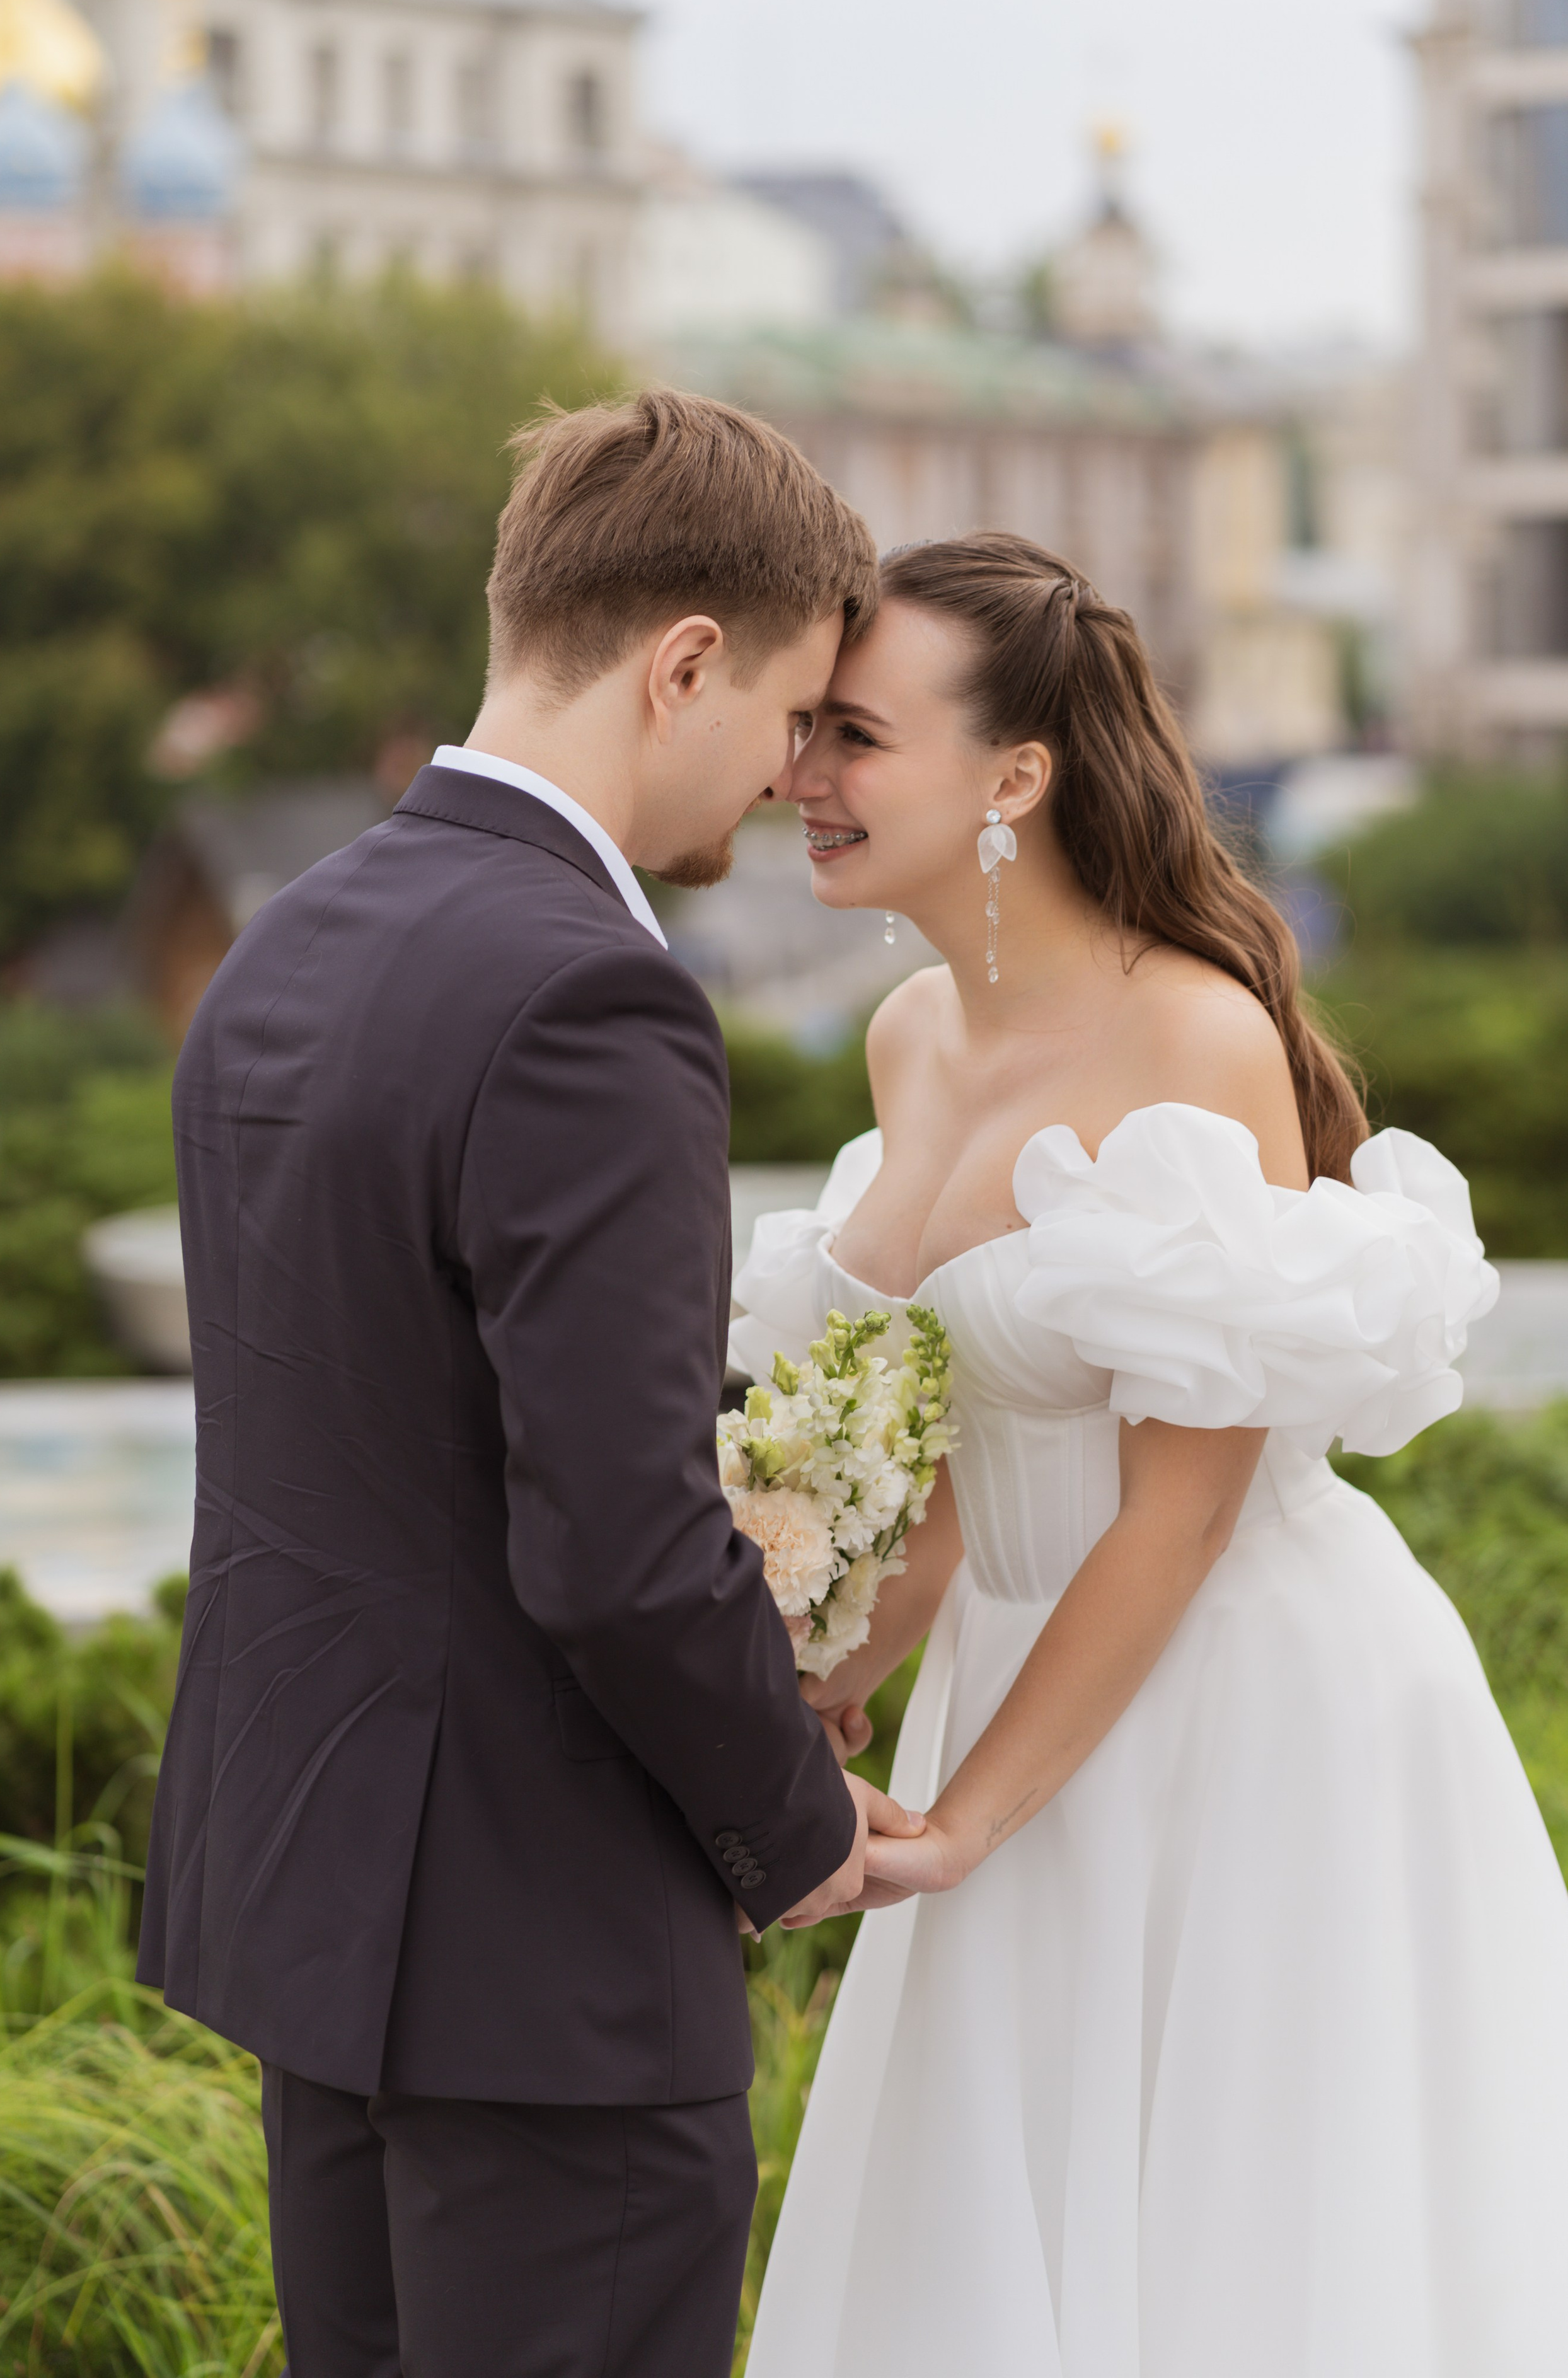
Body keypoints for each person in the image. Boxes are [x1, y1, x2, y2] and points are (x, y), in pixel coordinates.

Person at [136, 390, 922, 2378]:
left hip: (326, 1933)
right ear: (683, 665)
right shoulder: (596, 992)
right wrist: (791, 1821)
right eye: (787, 716)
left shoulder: (285, 947)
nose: (783, 776)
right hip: (548, 1965)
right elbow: (618, 1538)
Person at [737, 532, 1568, 2377]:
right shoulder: (906, 1038)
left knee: (1239, 2262)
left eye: (856, 737)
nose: (804, 775)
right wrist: (815, 1690)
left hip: (1240, 1714)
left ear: (1013, 778)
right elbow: (938, 1487)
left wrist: (963, 1826)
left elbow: (1177, 1524)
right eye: (807, 730)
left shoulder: (1192, 1037)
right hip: (1014, 1684)